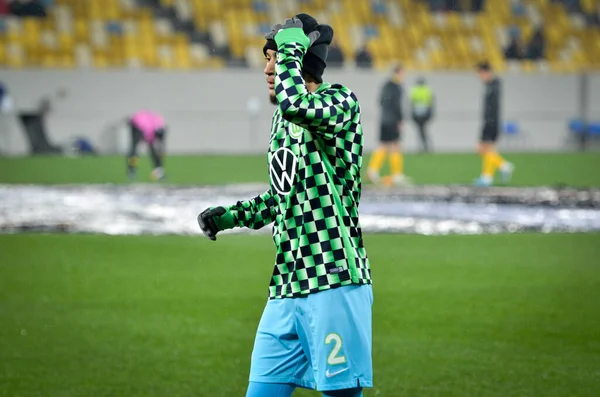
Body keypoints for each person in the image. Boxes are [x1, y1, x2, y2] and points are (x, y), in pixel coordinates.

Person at [197, 14, 373, 397]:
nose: (267, 68)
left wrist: (293, 46)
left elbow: (298, 104)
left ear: (300, 60)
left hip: (333, 281)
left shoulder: (340, 102)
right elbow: (285, 196)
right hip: (286, 286)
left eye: (275, 57)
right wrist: (232, 216)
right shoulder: (281, 118)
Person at [367, 65, 411, 185]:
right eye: (403, 73)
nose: (403, 76)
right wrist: (400, 119)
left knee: (384, 145)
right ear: (398, 73)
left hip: (384, 119)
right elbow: (396, 105)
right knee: (395, 146)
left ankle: (372, 170)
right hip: (392, 120)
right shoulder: (397, 87)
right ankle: (396, 174)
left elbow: (380, 101)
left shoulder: (385, 85)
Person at [474, 61, 514, 186]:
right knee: (486, 150)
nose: (480, 77)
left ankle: (497, 170)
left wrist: (489, 122)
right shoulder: (490, 85)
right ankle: (495, 171)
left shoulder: (494, 85)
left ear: (485, 72)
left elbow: (493, 107)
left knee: (484, 148)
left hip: (492, 121)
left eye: (480, 73)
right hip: (489, 120)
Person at [127, 109, 166, 181]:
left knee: (154, 151)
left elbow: (159, 145)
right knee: (134, 150)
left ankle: (159, 169)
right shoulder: (147, 129)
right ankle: (132, 169)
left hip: (144, 123)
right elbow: (147, 140)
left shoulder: (160, 124)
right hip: (136, 124)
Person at [410, 77, 434, 153]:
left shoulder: (414, 90)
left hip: (417, 114)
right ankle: (425, 146)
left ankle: (422, 147)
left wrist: (412, 115)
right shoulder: (427, 90)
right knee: (423, 130)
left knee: (420, 130)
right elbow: (430, 103)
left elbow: (412, 103)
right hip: (425, 113)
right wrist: (430, 114)